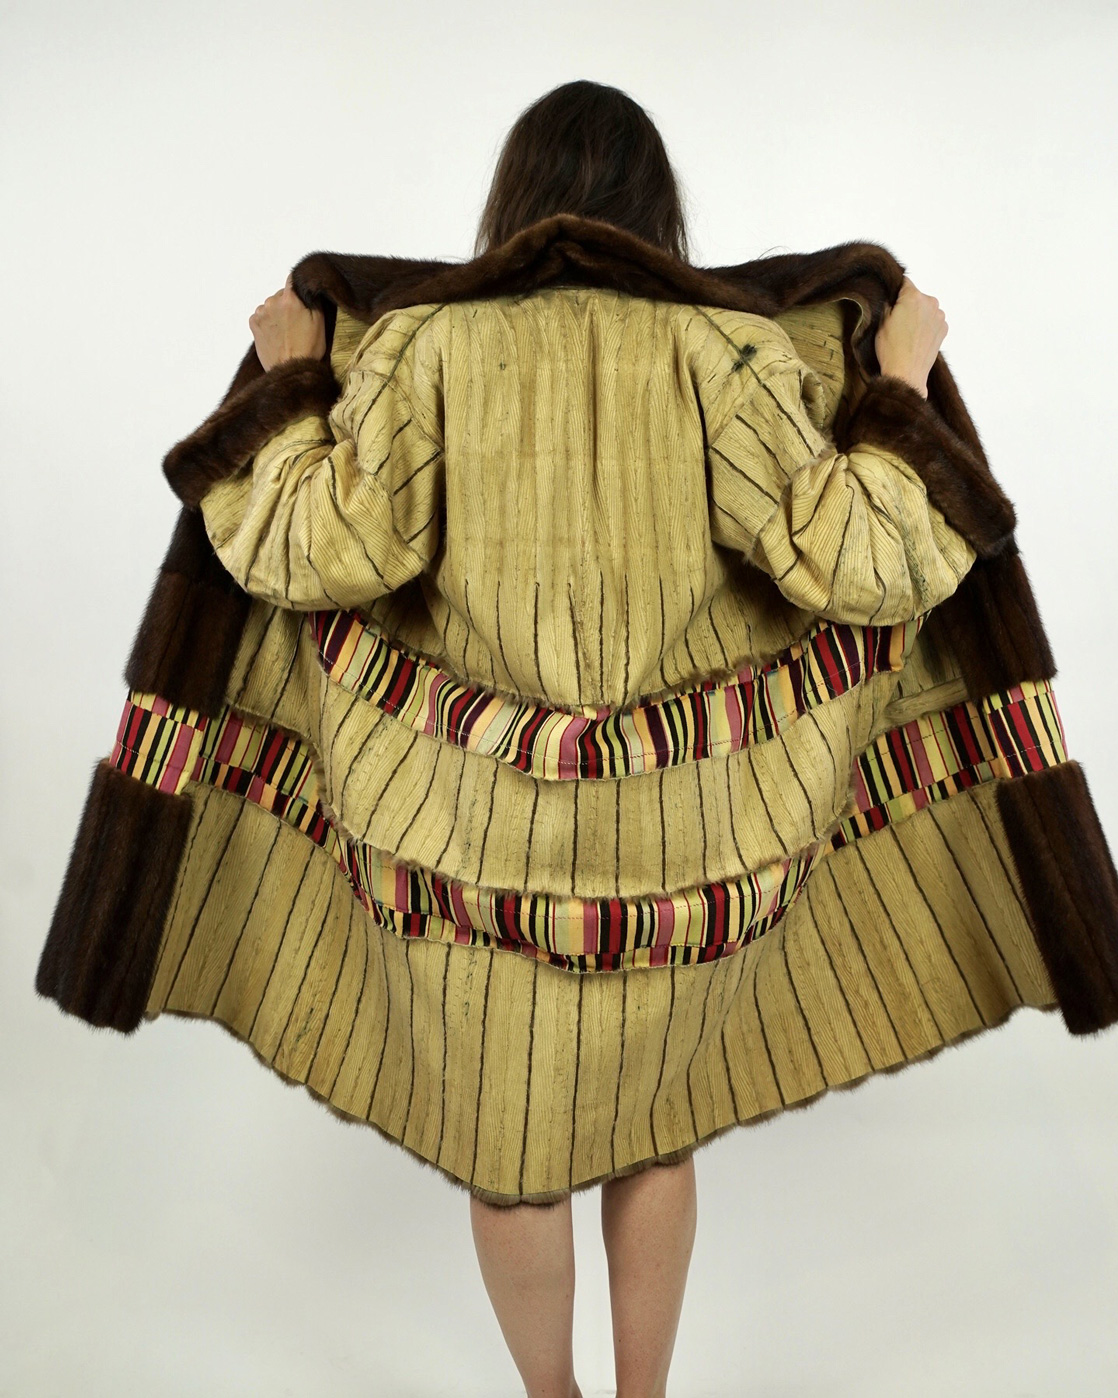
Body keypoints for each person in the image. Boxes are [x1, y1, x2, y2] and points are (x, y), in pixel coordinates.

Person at [243, 80, 951, 1398]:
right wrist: (900, 382)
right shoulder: (723, 351)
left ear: (509, 200)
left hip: (469, 840)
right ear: (658, 208)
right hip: (672, 839)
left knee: (511, 1153)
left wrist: (291, 381)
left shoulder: (424, 349)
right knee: (652, 1129)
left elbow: (316, 547)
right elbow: (857, 558)